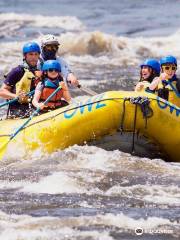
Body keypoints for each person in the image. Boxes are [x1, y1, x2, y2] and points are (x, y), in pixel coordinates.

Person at [0, 42, 41, 118]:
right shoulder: (17, 71)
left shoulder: (40, 72)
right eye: (31, 54)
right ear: (25, 56)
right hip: (17, 110)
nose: (34, 57)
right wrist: (16, 96)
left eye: (36, 54)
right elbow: (2, 92)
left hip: (34, 107)